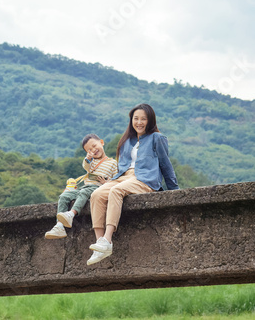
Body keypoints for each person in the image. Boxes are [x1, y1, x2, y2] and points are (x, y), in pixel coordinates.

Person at [87, 103, 179, 265]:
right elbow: (122, 167)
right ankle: (99, 244)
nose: (139, 122)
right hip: (123, 177)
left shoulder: (157, 138)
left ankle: (107, 240)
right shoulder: (127, 141)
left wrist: (175, 192)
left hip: (144, 179)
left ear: (150, 120)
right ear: (131, 121)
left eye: (143, 119)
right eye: (136, 119)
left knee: (116, 191)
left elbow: (166, 165)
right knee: (97, 194)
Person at [45, 133, 118, 239]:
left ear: (101, 143)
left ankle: (71, 214)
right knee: (64, 196)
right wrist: (88, 159)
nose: (93, 150)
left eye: (94, 146)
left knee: (84, 193)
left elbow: (117, 180)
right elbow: (86, 166)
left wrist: (107, 183)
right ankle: (59, 225)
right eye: (89, 150)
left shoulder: (112, 163)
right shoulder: (91, 162)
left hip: (98, 188)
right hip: (85, 187)